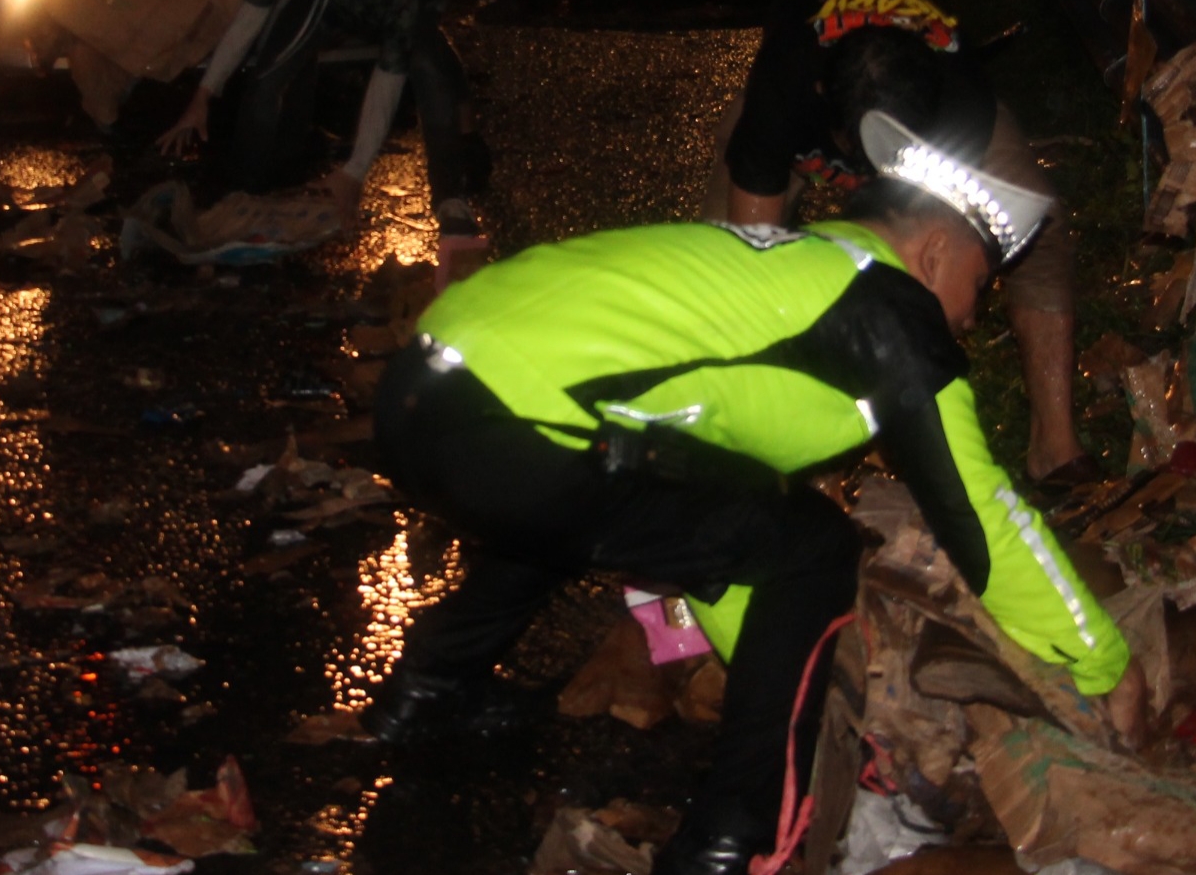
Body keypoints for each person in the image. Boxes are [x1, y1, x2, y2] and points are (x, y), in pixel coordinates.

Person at [367, 51, 1140, 875]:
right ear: (938, 251)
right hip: (515, 431)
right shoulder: (887, 312)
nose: (971, 318)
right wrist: (1103, 661)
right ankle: (739, 841)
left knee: (656, 511)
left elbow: (725, 542)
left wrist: (776, 683)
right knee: (815, 550)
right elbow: (982, 517)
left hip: (422, 396)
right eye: (980, 287)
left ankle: (427, 692)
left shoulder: (789, 269)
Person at [704, 0, 1092, 484]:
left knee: (1042, 229)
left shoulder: (960, 99)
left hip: (936, 136)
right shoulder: (786, 89)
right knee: (724, 266)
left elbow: (932, 261)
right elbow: (752, 255)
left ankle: (1056, 448)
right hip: (803, 108)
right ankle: (737, 441)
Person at [156, 0, 481, 235]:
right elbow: (249, 20)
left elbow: (386, 83)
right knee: (267, 78)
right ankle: (248, 187)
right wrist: (203, 95)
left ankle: (451, 194)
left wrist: (355, 171)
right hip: (321, 6)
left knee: (431, 66)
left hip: (384, 13)